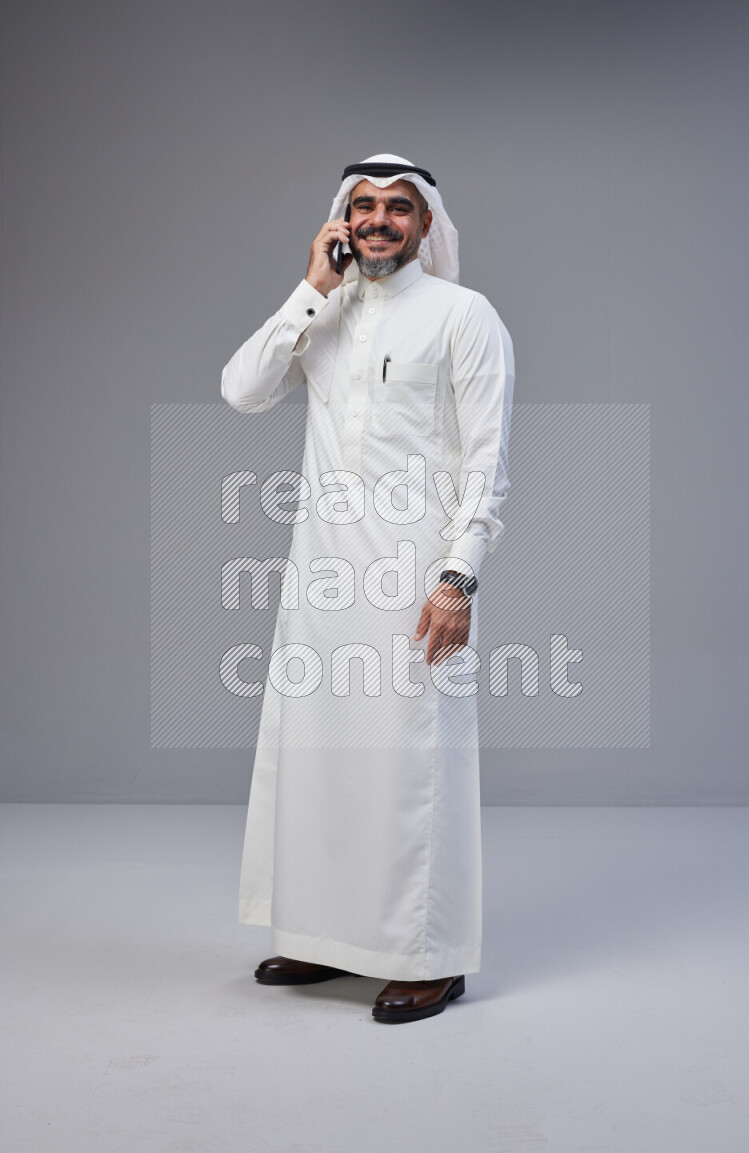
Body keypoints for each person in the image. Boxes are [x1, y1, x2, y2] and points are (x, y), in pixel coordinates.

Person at [220, 154, 514, 1024]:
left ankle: (430, 956)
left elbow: (487, 459)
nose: (379, 220)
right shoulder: (326, 309)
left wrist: (459, 577)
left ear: (426, 225)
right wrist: (312, 286)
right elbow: (241, 390)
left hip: (413, 576)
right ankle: (326, 936)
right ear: (342, 220)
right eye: (364, 206)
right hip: (321, 575)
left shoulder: (464, 314)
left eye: (398, 207)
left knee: (411, 765)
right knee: (321, 759)